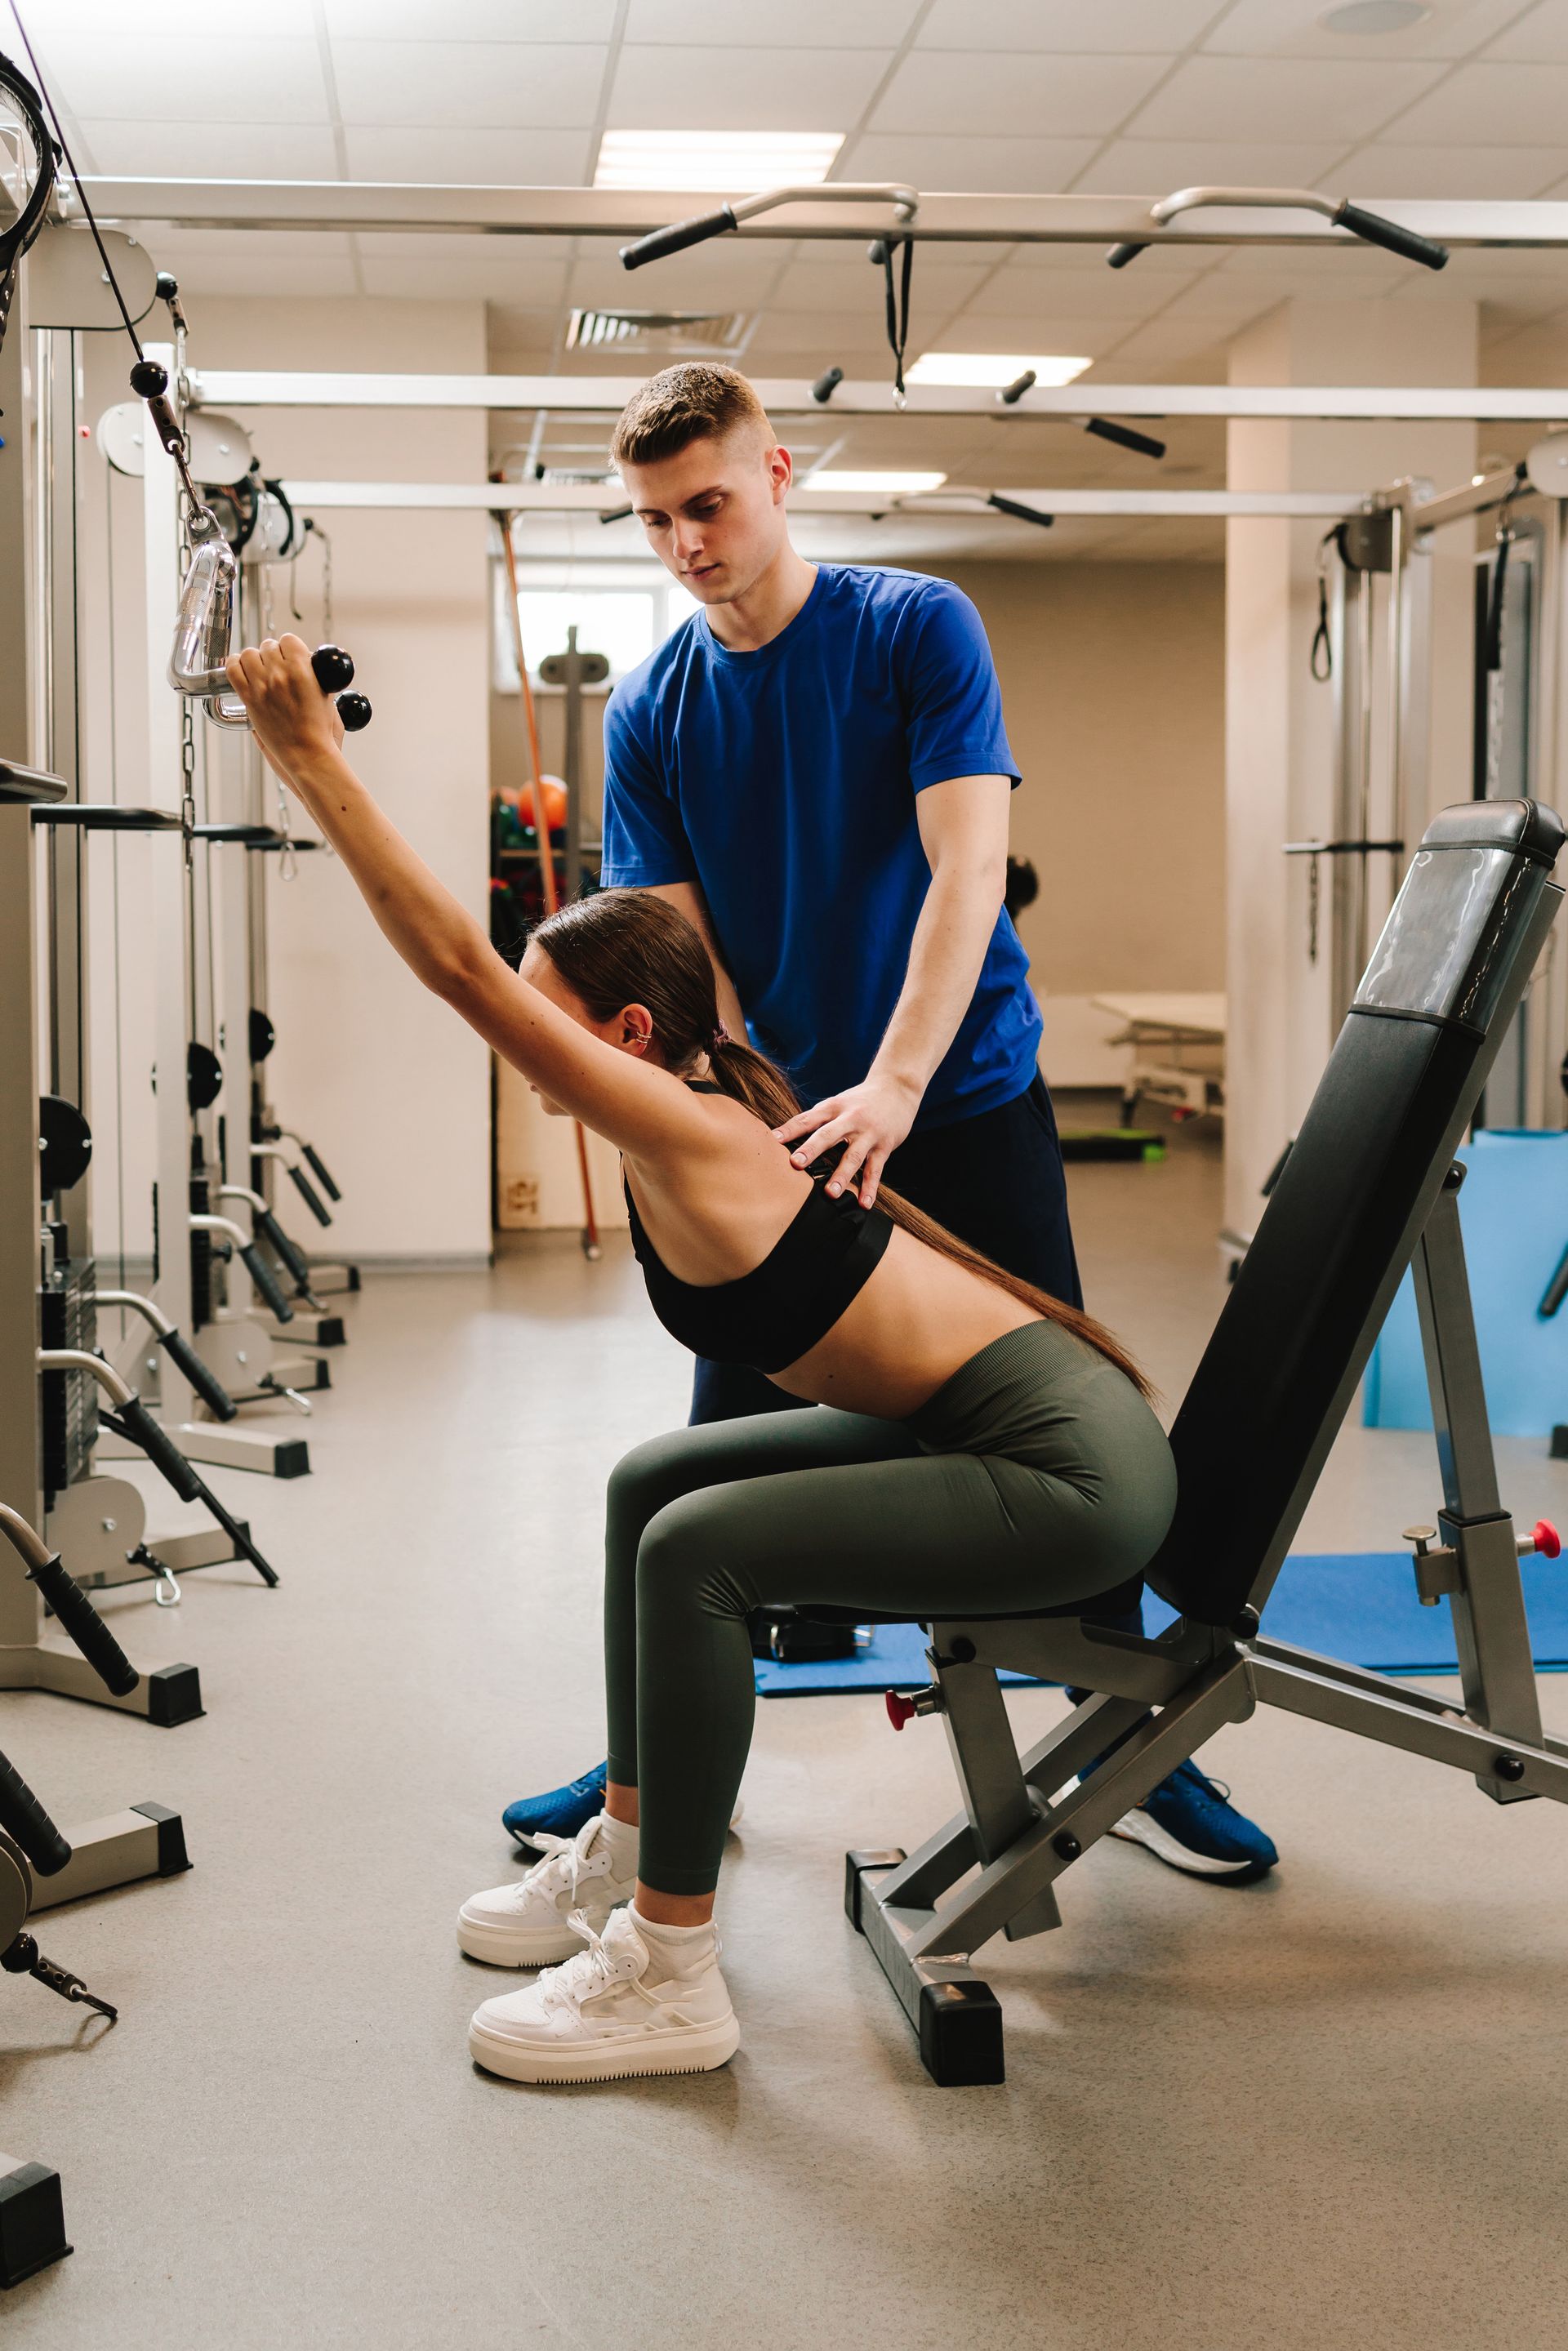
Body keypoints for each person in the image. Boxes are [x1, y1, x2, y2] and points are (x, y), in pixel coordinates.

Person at [224, 634, 1182, 2082]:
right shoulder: (682, 1105)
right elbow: (499, 993)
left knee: (700, 1559)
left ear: (621, 1036)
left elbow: (457, 975)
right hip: (988, 1435)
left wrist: (314, 764)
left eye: (550, 1037)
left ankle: (673, 1974)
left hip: (1069, 1471)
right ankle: (627, 1841)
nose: (524, 1058)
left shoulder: (692, 1129)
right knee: (653, 1487)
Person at [502, 359, 1277, 1886]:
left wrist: (902, 1082)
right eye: (657, 520)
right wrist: (726, 1114)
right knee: (725, 1439)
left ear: (779, 474)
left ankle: (1130, 1744)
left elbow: (965, 873)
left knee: (1052, 1423)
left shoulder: (917, 628)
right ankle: (661, 1759)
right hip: (794, 1123)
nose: (687, 544)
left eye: (709, 504)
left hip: (962, 1087)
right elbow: (676, 950)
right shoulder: (654, 707)